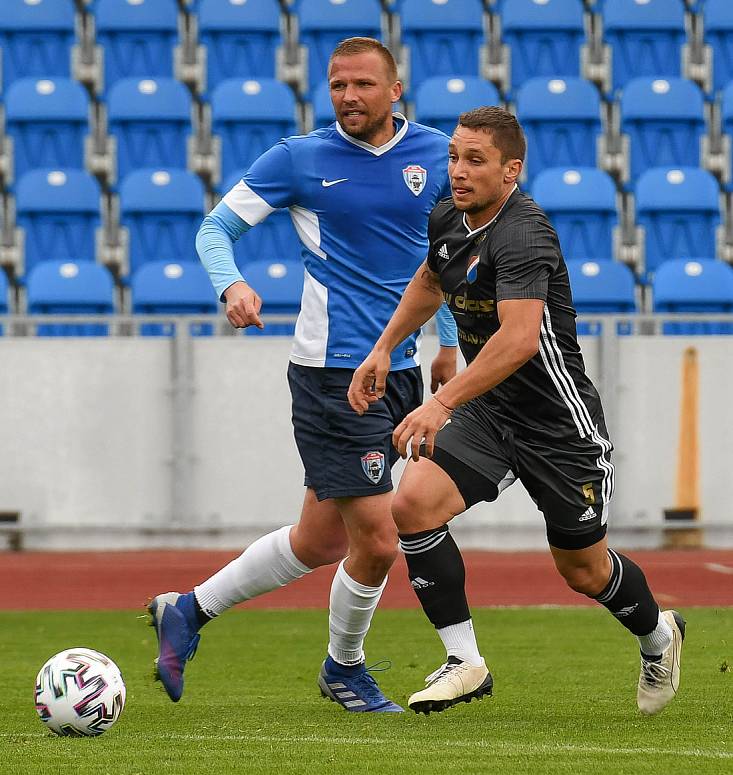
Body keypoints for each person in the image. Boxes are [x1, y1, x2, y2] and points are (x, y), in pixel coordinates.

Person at [147, 37, 458, 713]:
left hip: (398, 369)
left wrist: (447, 344)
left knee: (320, 540)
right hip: (331, 373)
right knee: (377, 541)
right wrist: (231, 287)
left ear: (394, 90)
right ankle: (343, 668)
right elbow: (214, 229)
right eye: (337, 84)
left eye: (363, 85)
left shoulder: (435, 155)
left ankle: (187, 612)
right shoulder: (299, 158)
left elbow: (443, 259)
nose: (348, 96)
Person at [348, 106, 685, 716]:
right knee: (412, 504)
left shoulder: (525, 231)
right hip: (489, 412)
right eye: (453, 156)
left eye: (475, 160)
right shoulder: (449, 216)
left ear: (511, 171)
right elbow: (431, 278)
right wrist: (384, 347)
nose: (458, 170)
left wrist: (440, 401)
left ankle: (659, 635)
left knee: (582, 571)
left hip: (559, 424)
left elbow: (519, 339)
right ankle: (464, 661)